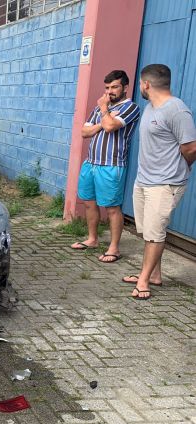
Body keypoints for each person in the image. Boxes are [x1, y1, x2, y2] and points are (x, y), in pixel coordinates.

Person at [122, 64, 196, 300]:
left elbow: (191, 147)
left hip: (165, 184)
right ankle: (154, 274)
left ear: (146, 84)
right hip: (144, 180)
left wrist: (183, 167)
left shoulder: (176, 110)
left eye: (140, 84)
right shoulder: (150, 108)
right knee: (148, 231)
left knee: (155, 234)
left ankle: (144, 280)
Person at [71, 70, 140, 263]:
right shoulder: (103, 107)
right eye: (107, 87)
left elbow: (111, 126)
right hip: (91, 163)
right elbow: (85, 132)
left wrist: (103, 113)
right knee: (89, 202)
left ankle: (114, 248)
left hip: (111, 165)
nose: (110, 91)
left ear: (125, 87)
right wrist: (103, 119)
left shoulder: (130, 107)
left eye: (114, 87)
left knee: (111, 208)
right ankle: (92, 239)